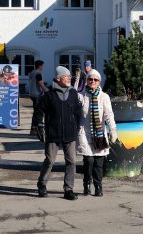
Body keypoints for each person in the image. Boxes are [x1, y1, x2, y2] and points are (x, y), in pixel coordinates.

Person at [36, 65, 83, 201]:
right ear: (58, 79)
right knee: (50, 160)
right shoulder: (49, 94)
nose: (69, 78)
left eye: (69, 76)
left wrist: (77, 125)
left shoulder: (73, 93)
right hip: (53, 132)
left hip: (70, 133)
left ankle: (68, 189)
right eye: (66, 76)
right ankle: (42, 184)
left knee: (71, 161)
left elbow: (78, 111)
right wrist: (39, 125)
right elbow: (39, 110)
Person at [77, 69, 117, 197]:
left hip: (99, 133)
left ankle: (98, 186)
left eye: (95, 80)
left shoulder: (104, 97)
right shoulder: (81, 95)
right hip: (85, 133)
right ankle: (86, 184)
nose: (92, 81)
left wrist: (113, 129)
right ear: (86, 81)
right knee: (88, 161)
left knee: (99, 162)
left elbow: (108, 115)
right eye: (90, 79)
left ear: (99, 81)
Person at [28, 60, 47, 140]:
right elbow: (40, 84)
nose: (43, 67)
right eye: (42, 66)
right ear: (39, 66)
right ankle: (37, 129)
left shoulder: (32, 72)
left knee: (35, 111)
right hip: (37, 95)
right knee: (39, 112)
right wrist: (47, 90)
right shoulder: (38, 73)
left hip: (32, 94)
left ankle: (33, 129)